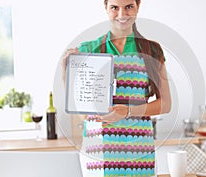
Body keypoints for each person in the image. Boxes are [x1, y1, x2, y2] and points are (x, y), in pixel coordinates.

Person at [62, 0, 171, 176]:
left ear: (138, 6)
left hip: (139, 148)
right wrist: (65, 71)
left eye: (129, 6)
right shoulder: (88, 49)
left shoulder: (152, 50)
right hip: (98, 149)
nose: (122, 14)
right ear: (105, 8)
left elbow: (165, 104)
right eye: (114, 7)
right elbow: (81, 111)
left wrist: (127, 111)